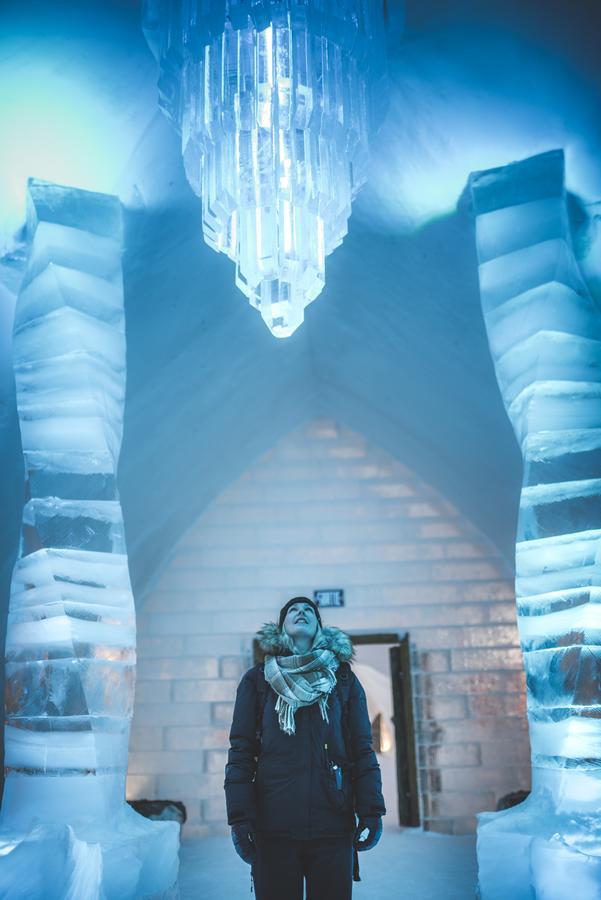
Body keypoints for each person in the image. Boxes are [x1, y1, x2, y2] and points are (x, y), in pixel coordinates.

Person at [224, 596, 386, 900]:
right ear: (282, 626)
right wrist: (240, 816)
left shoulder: (343, 680)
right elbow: (242, 751)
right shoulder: (258, 681)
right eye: (293, 611)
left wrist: (371, 810)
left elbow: (362, 748)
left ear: (319, 626)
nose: (301, 613)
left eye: (308, 610)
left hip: (332, 822)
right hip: (273, 824)